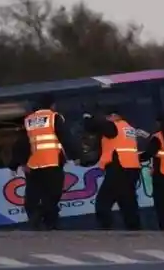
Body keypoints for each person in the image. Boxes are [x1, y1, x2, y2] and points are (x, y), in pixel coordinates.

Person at [12, 94, 80, 230]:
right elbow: (65, 137)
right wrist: (76, 155)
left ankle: (37, 219)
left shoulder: (29, 120)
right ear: (52, 105)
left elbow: (21, 143)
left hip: (34, 164)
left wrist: (17, 162)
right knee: (53, 194)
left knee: (33, 194)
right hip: (52, 162)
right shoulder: (54, 117)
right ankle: (47, 219)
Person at [84, 106, 142, 230]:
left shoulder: (114, 126)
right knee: (127, 201)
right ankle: (134, 228)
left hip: (118, 167)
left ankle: (106, 228)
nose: (107, 119)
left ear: (114, 116)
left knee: (103, 202)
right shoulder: (129, 128)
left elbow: (97, 125)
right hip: (132, 168)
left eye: (108, 116)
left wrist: (88, 118)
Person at [141, 113, 164, 231]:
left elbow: (149, 153)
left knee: (161, 202)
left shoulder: (158, 137)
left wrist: (137, 158)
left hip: (161, 172)